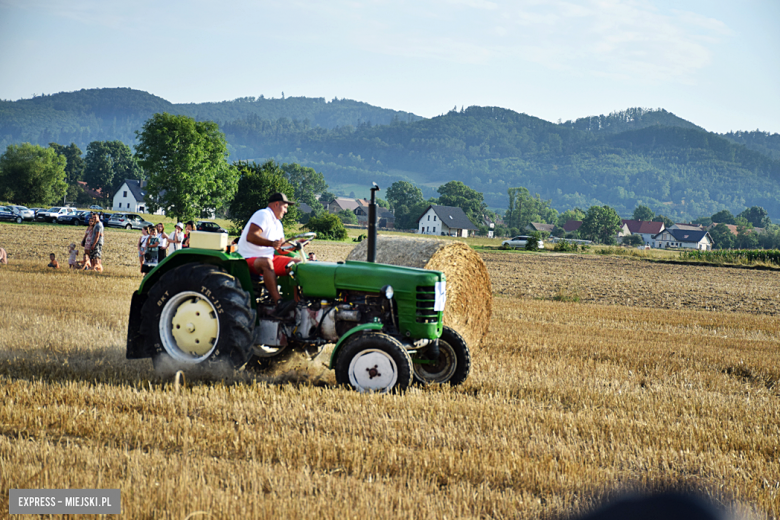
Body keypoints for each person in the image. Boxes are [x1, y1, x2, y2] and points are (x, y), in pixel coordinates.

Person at [237, 192, 301, 311]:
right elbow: (251, 236)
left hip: (268, 258)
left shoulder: (278, 223)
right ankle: (279, 302)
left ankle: (298, 303)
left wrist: (297, 245)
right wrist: (271, 243)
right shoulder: (263, 214)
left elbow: (281, 249)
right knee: (267, 262)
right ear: (277, 204)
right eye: (285, 207)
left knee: (298, 264)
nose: (286, 211)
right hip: (248, 258)